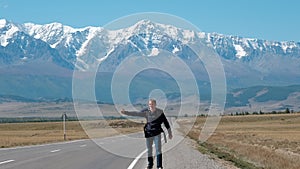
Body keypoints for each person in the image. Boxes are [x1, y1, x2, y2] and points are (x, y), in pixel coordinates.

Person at [121, 99, 173, 169]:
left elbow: (166, 122)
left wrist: (170, 133)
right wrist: (126, 112)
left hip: (157, 133)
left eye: (152, 104)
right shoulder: (146, 112)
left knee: (158, 150)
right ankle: (150, 165)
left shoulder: (160, 112)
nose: (151, 105)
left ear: (155, 104)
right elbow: (136, 113)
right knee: (149, 150)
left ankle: (159, 166)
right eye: (149, 104)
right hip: (148, 134)